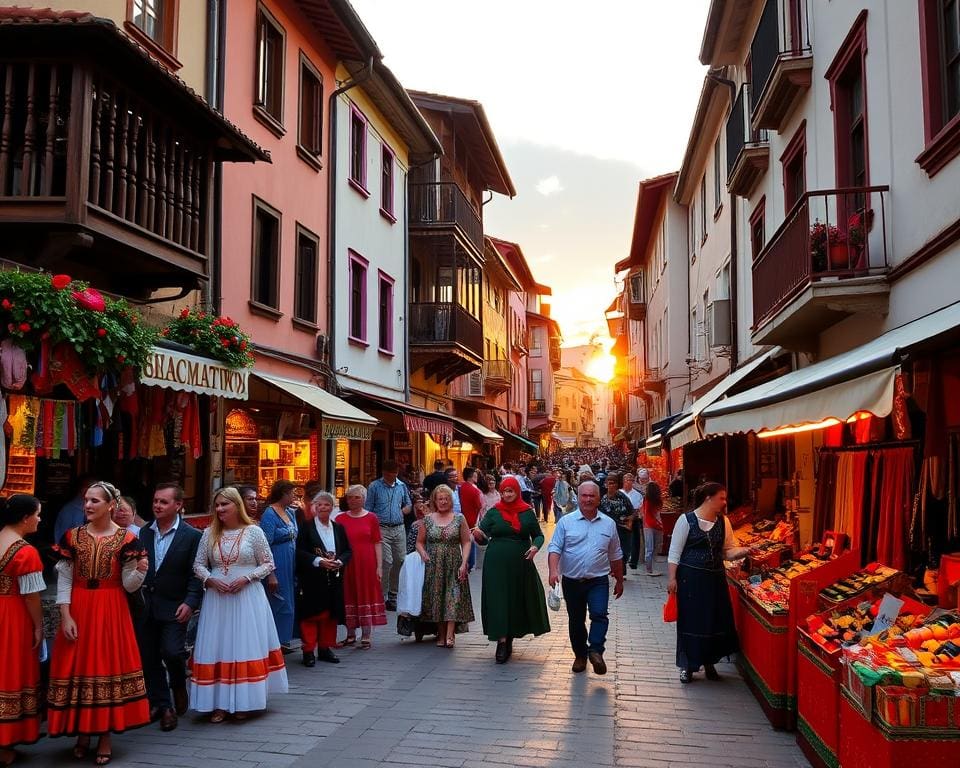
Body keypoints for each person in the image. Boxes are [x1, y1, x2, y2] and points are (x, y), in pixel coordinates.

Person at [49, 481, 151, 765]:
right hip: (79, 606)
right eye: (86, 500)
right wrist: (65, 615)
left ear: (110, 506)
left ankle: (104, 736)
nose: (88, 505)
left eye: (95, 501)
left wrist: (140, 572)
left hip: (111, 607)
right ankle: (82, 733)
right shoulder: (72, 537)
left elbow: (129, 587)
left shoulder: (128, 540)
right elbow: (65, 579)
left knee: (105, 668)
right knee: (79, 668)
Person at [191, 487, 288, 721]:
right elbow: (198, 565)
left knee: (244, 644)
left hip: (247, 596)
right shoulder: (209, 534)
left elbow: (267, 564)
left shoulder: (253, 532)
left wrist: (247, 578)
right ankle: (219, 704)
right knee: (219, 645)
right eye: (217, 505)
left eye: (225, 504)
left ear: (237, 506)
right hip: (218, 598)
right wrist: (209, 579)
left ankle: (245, 701)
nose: (220, 509)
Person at [668, 482, 753, 684]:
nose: (724, 502)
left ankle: (709, 662)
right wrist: (672, 578)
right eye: (721, 498)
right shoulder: (686, 520)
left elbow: (727, 551)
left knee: (713, 620)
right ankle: (687, 665)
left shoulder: (724, 522)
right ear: (708, 498)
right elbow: (674, 552)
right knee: (691, 620)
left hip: (714, 578)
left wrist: (745, 551)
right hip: (690, 579)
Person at [137, 483, 203, 732]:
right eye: (155, 501)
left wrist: (190, 602)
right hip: (146, 606)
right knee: (149, 656)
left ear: (178, 505)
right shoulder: (144, 533)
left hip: (175, 605)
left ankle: (178, 682)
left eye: (164, 502)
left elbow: (196, 574)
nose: (157, 506)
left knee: (173, 652)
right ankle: (163, 706)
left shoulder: (192, 536)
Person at [547, 481, 624, 675]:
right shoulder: (566, 522)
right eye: (584, 496)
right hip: (572, 581)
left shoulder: (609, 523)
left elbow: (616, 554)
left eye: (592, 496)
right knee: (576, 620)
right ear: (578, 497)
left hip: (598, 580)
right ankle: (580, 656)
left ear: (599, 498)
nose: (588, 499)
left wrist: (620, 580)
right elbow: (555, 547)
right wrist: (553, 570)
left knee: (599, 614)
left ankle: (596, 650)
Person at [474, 476, 550, 664]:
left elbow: (538, 536)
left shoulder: (527, 513)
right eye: (504, 491)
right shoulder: (493, 512)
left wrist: (535, 547)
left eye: (510, 491)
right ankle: (501, 641)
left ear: (517, 492)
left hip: (520, 562)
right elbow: (482, 536)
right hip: (496, 564)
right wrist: (478, 535)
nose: (507, 495)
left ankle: (510, 636)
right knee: (499, 599)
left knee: (515, 599)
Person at [0, 495, 44, 767]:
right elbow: (31, 596)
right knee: (10, 673)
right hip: (12, 617)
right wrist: (38, 626)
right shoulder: (25, 552)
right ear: (26, 518)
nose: (40, 519)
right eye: (38, 514)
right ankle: (6, 743)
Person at [295, 491, 351, 667]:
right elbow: (300, 552)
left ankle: (325, 648)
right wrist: (319, 561)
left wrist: (340, 561)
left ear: (332, 507)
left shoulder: (338, 528)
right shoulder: (306, 527)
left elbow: (348, 550)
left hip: (334, 578)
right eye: (319, 505)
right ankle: (308, 651)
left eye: (326, 505)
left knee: (330, 615)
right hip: (312, 579)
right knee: (311, 615)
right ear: (314, 508)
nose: (323, 508)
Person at [415, 485, 474, 648]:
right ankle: (440, 634)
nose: (443, 502)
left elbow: (466, 541)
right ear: (435, 500)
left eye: (446, 499)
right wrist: (423, 553)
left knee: (452, 598)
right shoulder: (427, 520)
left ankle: (450, 635)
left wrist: (464, 562)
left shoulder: (459, 518)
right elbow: (419, 542)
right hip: (434, 565)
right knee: (437, 599)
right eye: (440, 499)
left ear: (451, 501)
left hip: (453, 564)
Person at [338, 485, 386, 648]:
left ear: (364, 499)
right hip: (347, 562)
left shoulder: (371, 518)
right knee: (348, 594)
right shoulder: (339, 519)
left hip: (366, 563)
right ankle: (350, 633)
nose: (352, 500)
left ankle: (366, 634)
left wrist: (379, 566)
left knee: (366, 594)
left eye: (356, 497)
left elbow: (377, 543)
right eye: (350, 497)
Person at [366, 460, 412, 612]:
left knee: (400, 559)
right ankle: (382, 594)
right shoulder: (374, 487)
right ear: (383, 473)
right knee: (387, 561)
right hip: (382, 528)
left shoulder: (401, 486)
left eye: (392, 474)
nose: (390, 477)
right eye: (387, 474)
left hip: (398, 528)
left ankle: (393, 593)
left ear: (396, 473)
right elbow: (368, 508)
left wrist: (403, 511)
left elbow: (408, 504)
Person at [259, 480, 299, 649]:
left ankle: (284, 638)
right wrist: (270, 572)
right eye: (291, 493)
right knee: (279, 600)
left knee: (290, 599)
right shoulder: (269, 514)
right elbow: (265, 543)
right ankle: (276, 640)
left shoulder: (290, 513)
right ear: (283, 494)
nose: (294, 496)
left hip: (291, 560)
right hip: (278, 560)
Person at [396, 493, 439, 642]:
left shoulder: (419, 525)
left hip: (421, 563)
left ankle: (422, 629)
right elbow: (411, 547)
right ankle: (426, 628)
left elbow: (409, 548)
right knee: (422, 594)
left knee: (419, 595)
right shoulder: (418, 526)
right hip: (421, 563)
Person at [599, 472, 635, 569]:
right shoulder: (603, 499)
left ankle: (620, 570)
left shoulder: (623, 498)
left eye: (613, 483)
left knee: (623, 551)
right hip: (607, 529)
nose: (611, 485)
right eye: (609, 483)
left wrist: (628, 524)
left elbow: (631, 512)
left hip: (622, 529)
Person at [53, 474, 97, 545]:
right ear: (82, 489)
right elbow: (61, 539)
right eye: (90, 487)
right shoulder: (69, 511)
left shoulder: (98, 509)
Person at [458, 467, 485, 571]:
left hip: (462, 517)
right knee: (470, 541)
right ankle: (470, 563)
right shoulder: (474, 490)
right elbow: (479, 506)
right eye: (475, 474)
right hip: (472, 519)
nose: (477, 476)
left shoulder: (460, 487)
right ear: (471, 476)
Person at [641, 482, 665, 577]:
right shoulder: (657, 501)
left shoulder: (646, 500)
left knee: (650, 548)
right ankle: (650, 569)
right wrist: (659, 525)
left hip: (649, 526)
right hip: (655, 526)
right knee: (653, 548)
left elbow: (646, 514)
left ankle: (649, 568)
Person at [622, 473, 644, 570]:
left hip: (634, 519)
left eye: (631, 480)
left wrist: (632, 517)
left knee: (635, 540)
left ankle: (633, 561)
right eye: (627, 480)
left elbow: (639, 509)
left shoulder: (637, 495)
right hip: (621, 520)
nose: (629, 482)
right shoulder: (619, 493)